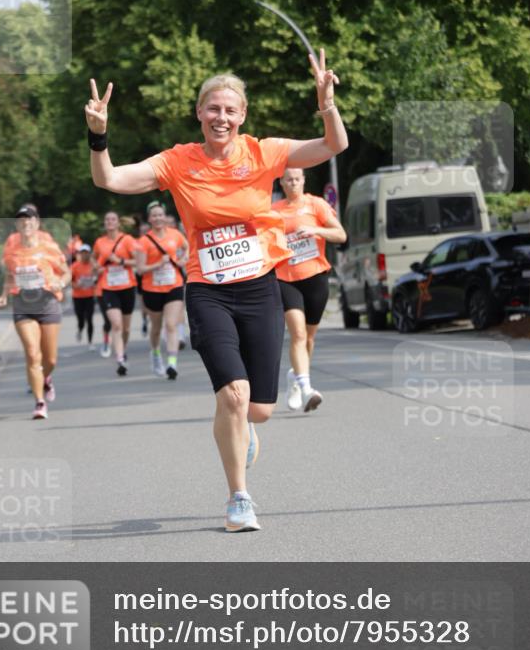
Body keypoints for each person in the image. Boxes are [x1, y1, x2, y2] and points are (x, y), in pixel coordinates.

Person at [85, 48, 347, 532]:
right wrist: (99, 134)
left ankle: (243, 425)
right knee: (232, 393)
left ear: (242, 115)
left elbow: (333, 146)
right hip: (208, 290)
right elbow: (110, 179)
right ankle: (239, 498)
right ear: (199, 114)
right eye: (213, 109)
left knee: (259, 410)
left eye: (230, 110)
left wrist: (326, 104)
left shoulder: (263, 152)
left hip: (260, 287)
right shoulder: (178, 162)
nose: (220, 117)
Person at [273, 168, 346, 411]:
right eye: (288, 179)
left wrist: (316, 230)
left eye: (297, 179)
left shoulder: (316, 205)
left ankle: (295, 377)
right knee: (298, 334)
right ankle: (306, 389)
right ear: (281, 182)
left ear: (303, 180)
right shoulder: (274, 211)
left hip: (315, 276)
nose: (293, 183)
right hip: (285, 278)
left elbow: (340, 234)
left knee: (310, 337)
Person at [0, 205, 71, 419]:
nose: (25, 223)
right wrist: (4, 295)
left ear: (37, 223)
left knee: (51, 360)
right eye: (21, 220)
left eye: (29, 219)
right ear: (17, 225)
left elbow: (66, 273)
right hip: (22, 305)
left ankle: (45, 378)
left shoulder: (48, 247)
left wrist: (60, 283)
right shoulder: (11, 249)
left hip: (47, 303)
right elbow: (10, 276)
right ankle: (39, 402)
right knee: (32, 353)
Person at [135, 200, 188, 379]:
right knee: (156, 328)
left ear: (164, 217)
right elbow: (140, 269)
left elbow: (186, 247)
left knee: (171, 325)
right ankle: (156, 354)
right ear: (150, 219)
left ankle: (172, 364)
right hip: (152, 289)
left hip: (174, 285)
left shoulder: (175, 235)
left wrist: (183, 260)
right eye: (154, 215)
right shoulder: (143, 242)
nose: (158, 218)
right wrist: (158, 264)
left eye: (160, 215)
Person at [92, 211, 138, 376]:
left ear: (118, 223)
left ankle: (123, 350)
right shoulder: (99, 242)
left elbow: (138, 261)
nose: (109, 222)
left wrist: (121, 261)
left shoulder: (128, 240)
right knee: (116, 324)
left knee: (125, 328)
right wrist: (97, 267)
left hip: (127, 286)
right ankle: (120, 359)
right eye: (107, 219)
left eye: (113, 219)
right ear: (104, 223)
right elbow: (95, 261)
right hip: (108, 288)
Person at [71, 243, 96, 350]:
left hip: (90, 296)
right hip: (78, 297)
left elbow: (99, 276)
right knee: (81, 319)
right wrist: (76, 285)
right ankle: (80, 329)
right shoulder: (75, 266)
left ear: (90, 254)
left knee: (89, 319)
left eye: (86, 253)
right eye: (82, 253)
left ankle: (90, 342)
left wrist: (95, 281)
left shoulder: (93, 265)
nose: (84, 255)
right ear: (80, 254)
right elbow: (69, 280)